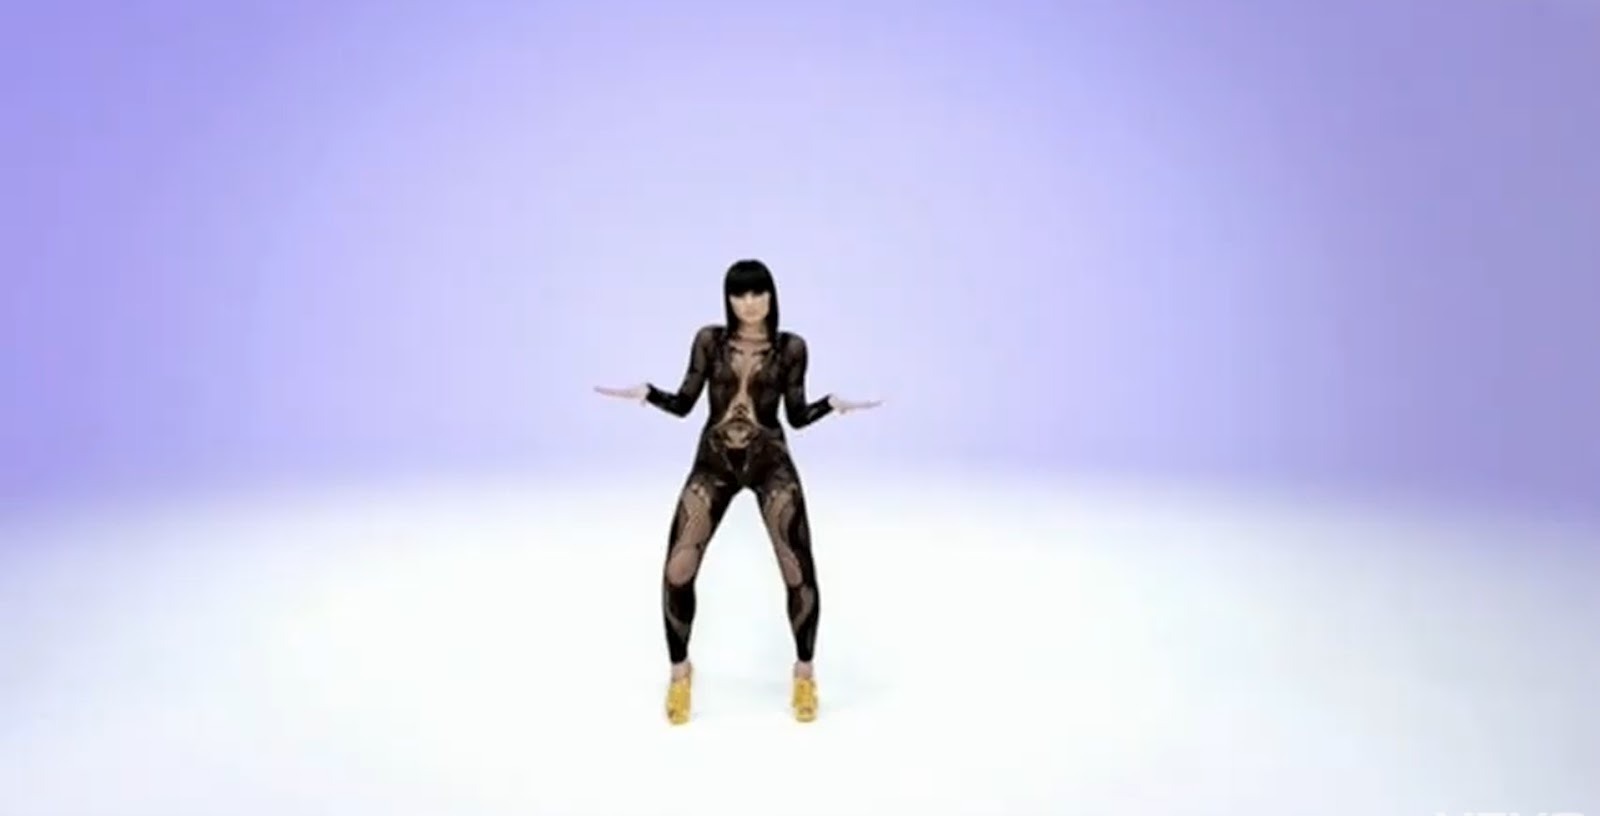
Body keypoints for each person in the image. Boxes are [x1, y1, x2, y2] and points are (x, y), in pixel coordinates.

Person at [595, 259, 880, 724]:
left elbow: (796, 416)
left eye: (757, 293)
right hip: (715, 463)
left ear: (771, 295)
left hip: (770, 463)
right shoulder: (710, 341)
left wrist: (831, 405)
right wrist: (648, 393)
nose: (749, 303)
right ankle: (680, 674)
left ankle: (805, 674)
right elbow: (685, 403)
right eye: (739, 294)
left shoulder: (791, 348)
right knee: (678, 568)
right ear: (728, 299)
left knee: (797, 567)